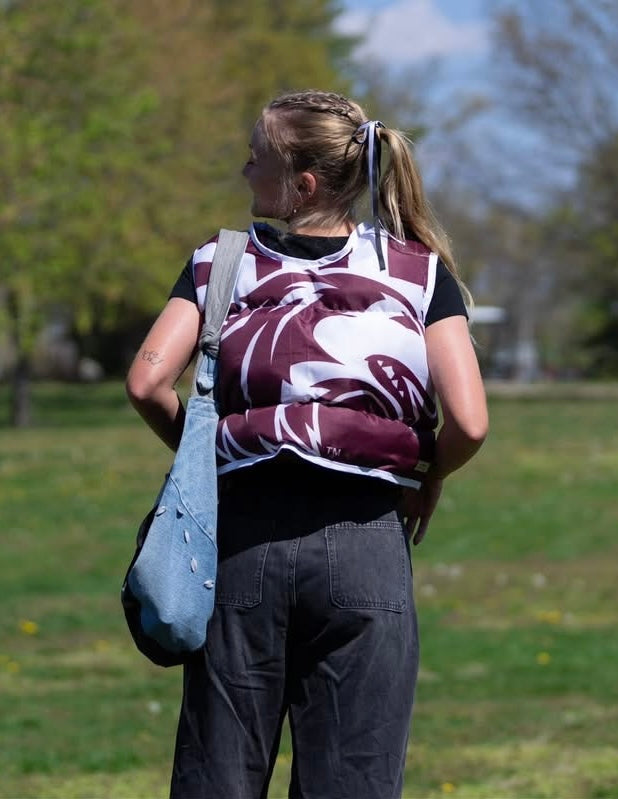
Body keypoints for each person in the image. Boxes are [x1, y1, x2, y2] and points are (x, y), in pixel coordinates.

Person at [126, 89, 488, 799]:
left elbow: (146, 382)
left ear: (304, 182)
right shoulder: (418, 271)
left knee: (219, 773)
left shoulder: (218, 263)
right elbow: (469, 423)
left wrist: (203, 463)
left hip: (244, 544)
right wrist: (426, 474)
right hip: (365, 544)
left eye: (254, 158)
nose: (243, 170)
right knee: (352, 776)